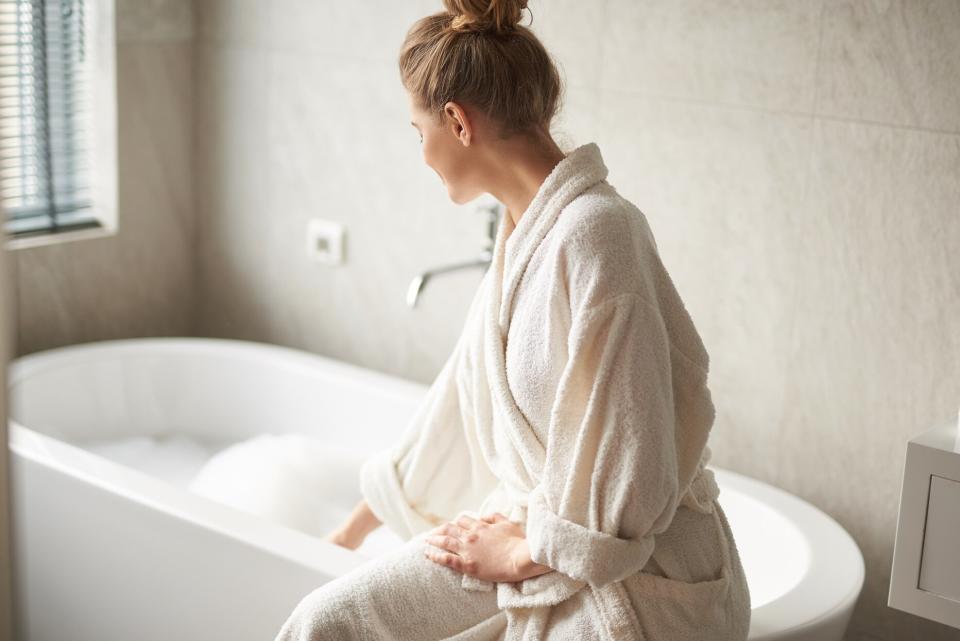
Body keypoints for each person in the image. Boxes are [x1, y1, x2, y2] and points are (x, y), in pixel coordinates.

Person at [274, 0, 751, 639]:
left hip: (633, 574)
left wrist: (520, 553)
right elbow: (464, 405)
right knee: (325, 620)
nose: (422, 154)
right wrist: (353, 531)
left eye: (419, 132)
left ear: (457, 121)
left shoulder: (599, 236)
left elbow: (636, 462)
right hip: (545, 535)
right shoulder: (525, 231)